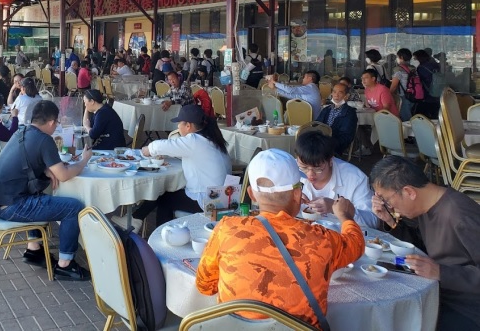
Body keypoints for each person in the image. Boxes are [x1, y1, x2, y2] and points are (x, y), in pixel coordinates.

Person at [196, 149, 364, 328]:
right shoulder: (322, 240)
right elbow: (356, 244)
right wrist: (345, 216)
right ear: (297, 193)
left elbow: (205, 286)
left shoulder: (226, 228)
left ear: (252, 194)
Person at [370, 156, 480, 330]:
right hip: (435, 291)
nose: (389, 206)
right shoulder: (426, 206)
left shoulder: (459, 214)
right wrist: (392, 222)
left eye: (387, 200)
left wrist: (440, 272)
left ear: (409, 192)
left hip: (466, 307)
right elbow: (423, 250)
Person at [0, 100, 92, 280]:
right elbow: (64, 175)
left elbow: (25, 160)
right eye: (57, 123)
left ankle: (34, 249)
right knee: (74, 208)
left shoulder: (20, 131)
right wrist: (84, 160)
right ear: (52, 122)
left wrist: (46, 169)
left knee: (37, 194)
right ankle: (65, 265)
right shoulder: (45, 140)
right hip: (12, 207)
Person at [135, 104, 232, 228]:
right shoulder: (211, 138)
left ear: (188, 126)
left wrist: (148, 149)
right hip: (225, 199)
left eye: (179, 123)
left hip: (210, 202)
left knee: (164, 197)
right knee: (169, 193)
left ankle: (162, 237)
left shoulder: (194, 140)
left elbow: (165, 145)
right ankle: (137, 218)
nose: (177, 126)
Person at [295, 131, 377, 228]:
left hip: (342, 236)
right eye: (304, 167)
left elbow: (372, 222)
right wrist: (289, 201)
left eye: (317, 169)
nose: (310, 174)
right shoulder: (291, 169)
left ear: (330, 161)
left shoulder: (355, 178)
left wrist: (335, 208)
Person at [315, 83, 358, 156]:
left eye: (340, 92)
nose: (336, 95)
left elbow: (346, 136)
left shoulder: (350, 113)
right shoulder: (326, 109)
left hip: (335, 143)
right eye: (334, 92)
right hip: (321, 139)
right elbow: (316, 125)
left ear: (346, 96)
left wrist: (328, 140)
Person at [390, 47, 416, 122]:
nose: (397, 59)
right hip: (413, 95)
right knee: (409, 115)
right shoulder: (413, 68)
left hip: (403, 96)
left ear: (401, 57)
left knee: (406, 119)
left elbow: (394, 86)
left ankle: (408, 133)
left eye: (397, 57)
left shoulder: (398, 69)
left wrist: (389, 94)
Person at [413, 49, 440, 118]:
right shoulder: (435, 65)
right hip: (438, 94)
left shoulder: (421, 68)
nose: (414, 60)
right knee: (435, 115)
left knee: (422, 116)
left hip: (427, 95)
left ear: (419, 58)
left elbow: (419, 80)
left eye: (415, 58)